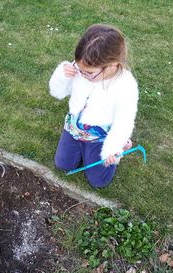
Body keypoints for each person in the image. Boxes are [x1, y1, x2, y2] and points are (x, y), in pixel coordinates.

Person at [49, 24, 139, 188]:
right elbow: (57, 92)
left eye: (88, 73)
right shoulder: (82, 67)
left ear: (112, 65)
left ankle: (122, 146)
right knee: (63, 165)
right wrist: (62, 75)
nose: (82, 74)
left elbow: (124, 122)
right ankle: (81, 149)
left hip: (100, 137)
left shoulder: (126, 87)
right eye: (79, 68)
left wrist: (113, 149)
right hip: (73, 128)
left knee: (98, 181)